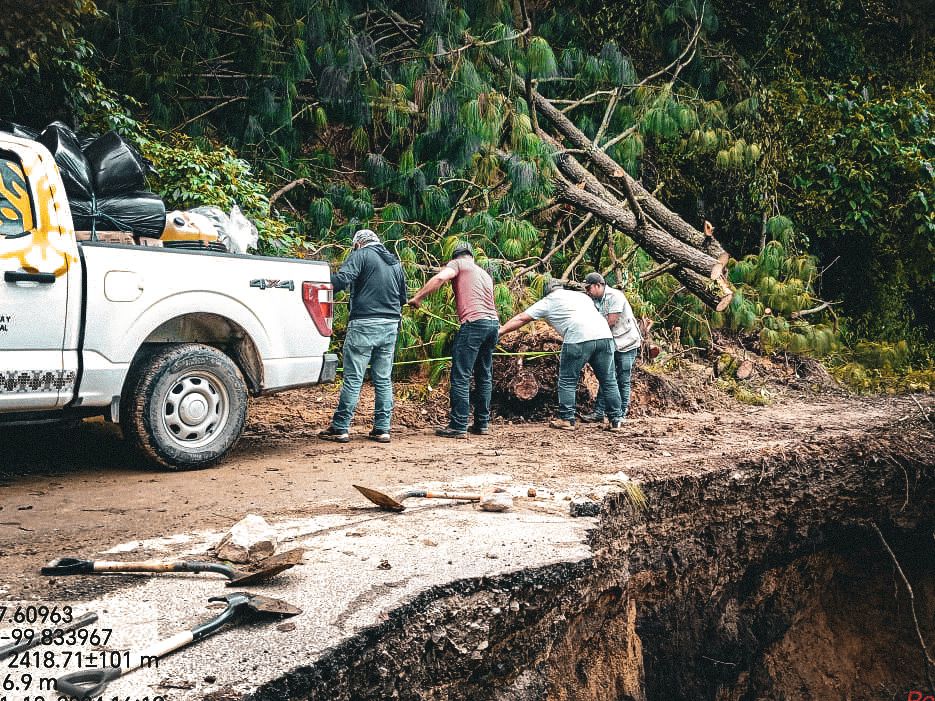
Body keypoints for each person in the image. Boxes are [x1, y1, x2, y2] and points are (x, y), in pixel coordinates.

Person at [498, 279, 625, 431]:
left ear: (547, 292)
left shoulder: (548, 301)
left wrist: (501, 331)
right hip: (604, 337)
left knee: (567, 380)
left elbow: (522, 318)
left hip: (578, 339)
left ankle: (566, 418)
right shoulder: (582, 297)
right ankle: (616, 420)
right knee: (608, 380)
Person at [319, 229, 407, 444]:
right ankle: (382, 429)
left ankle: (340, 427)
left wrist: (317, 286)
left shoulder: (361, 255)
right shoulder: (395, 263)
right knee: (383, 379)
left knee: (353, 378)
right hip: (390, 325)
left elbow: (343, 280)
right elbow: (403, 297)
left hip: (364, 323)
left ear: (358, 243)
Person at [408, 242, 500, 438]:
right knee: (484, 376)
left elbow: (441, 277)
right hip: (493, 324)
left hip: (474, 323)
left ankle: (458, 425)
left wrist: (418, 297)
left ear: (457, 256)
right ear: (471, 255)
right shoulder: (483, 273)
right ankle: (481, 424)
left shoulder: (458, 264)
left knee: (461, 376)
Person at [581, 271, 642, 423]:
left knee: (623, 378)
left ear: (598, 285)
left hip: (626, 342)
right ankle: (599, 412)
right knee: (606, 377)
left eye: (589, 288)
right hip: (611, 342)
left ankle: (620, 414)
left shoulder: (615, 296)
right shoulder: (595, 300)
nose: (588, 292)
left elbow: (610, 321)